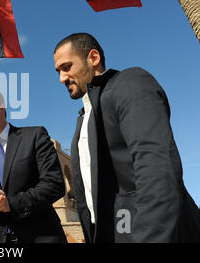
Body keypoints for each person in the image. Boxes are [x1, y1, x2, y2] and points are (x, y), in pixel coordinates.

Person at [53, 32, 200, 243]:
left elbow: (157, 170)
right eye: (58, 71)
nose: (61, 78)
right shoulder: (84, 117)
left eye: (67, 67)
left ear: (93, 58)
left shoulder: (129, 84)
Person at [0, 85, 67, 243]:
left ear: (2, 107)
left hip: (41, 237)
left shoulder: (35, 137)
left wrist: (11, 204)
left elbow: (54, 184)